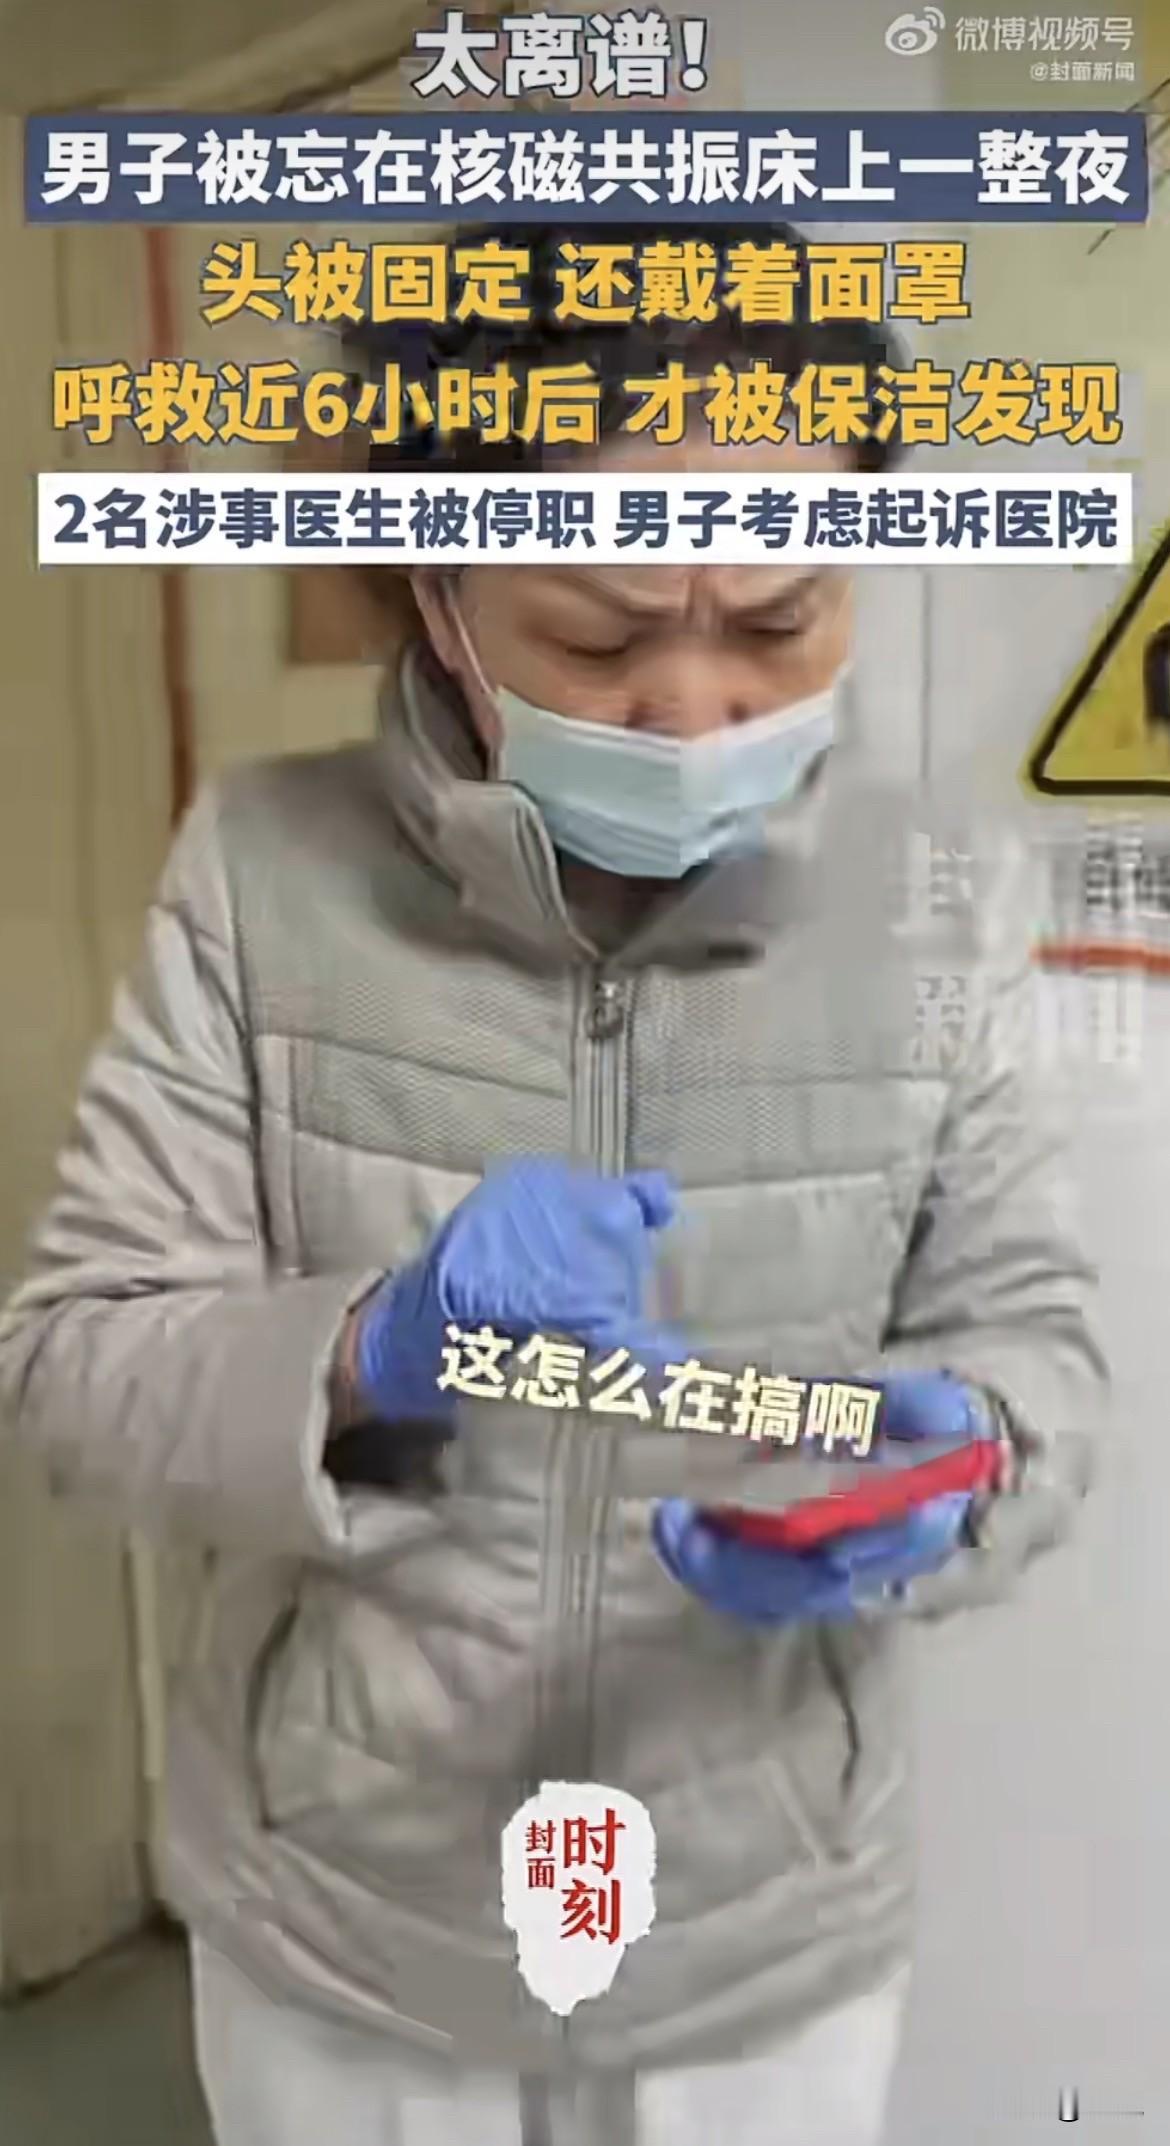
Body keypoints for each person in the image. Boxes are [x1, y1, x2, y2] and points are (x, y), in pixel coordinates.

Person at [0, 224, 1105, 2146]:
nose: (694, 704)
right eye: (600, 634)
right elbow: (72, 1366)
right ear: (439, 595)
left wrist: (965, 1456)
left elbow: (1034, 1342)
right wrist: (373, 1347)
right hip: (354, 1933)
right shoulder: (262, 875)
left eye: (780, 617)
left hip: (759, 1939)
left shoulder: (938, 905)